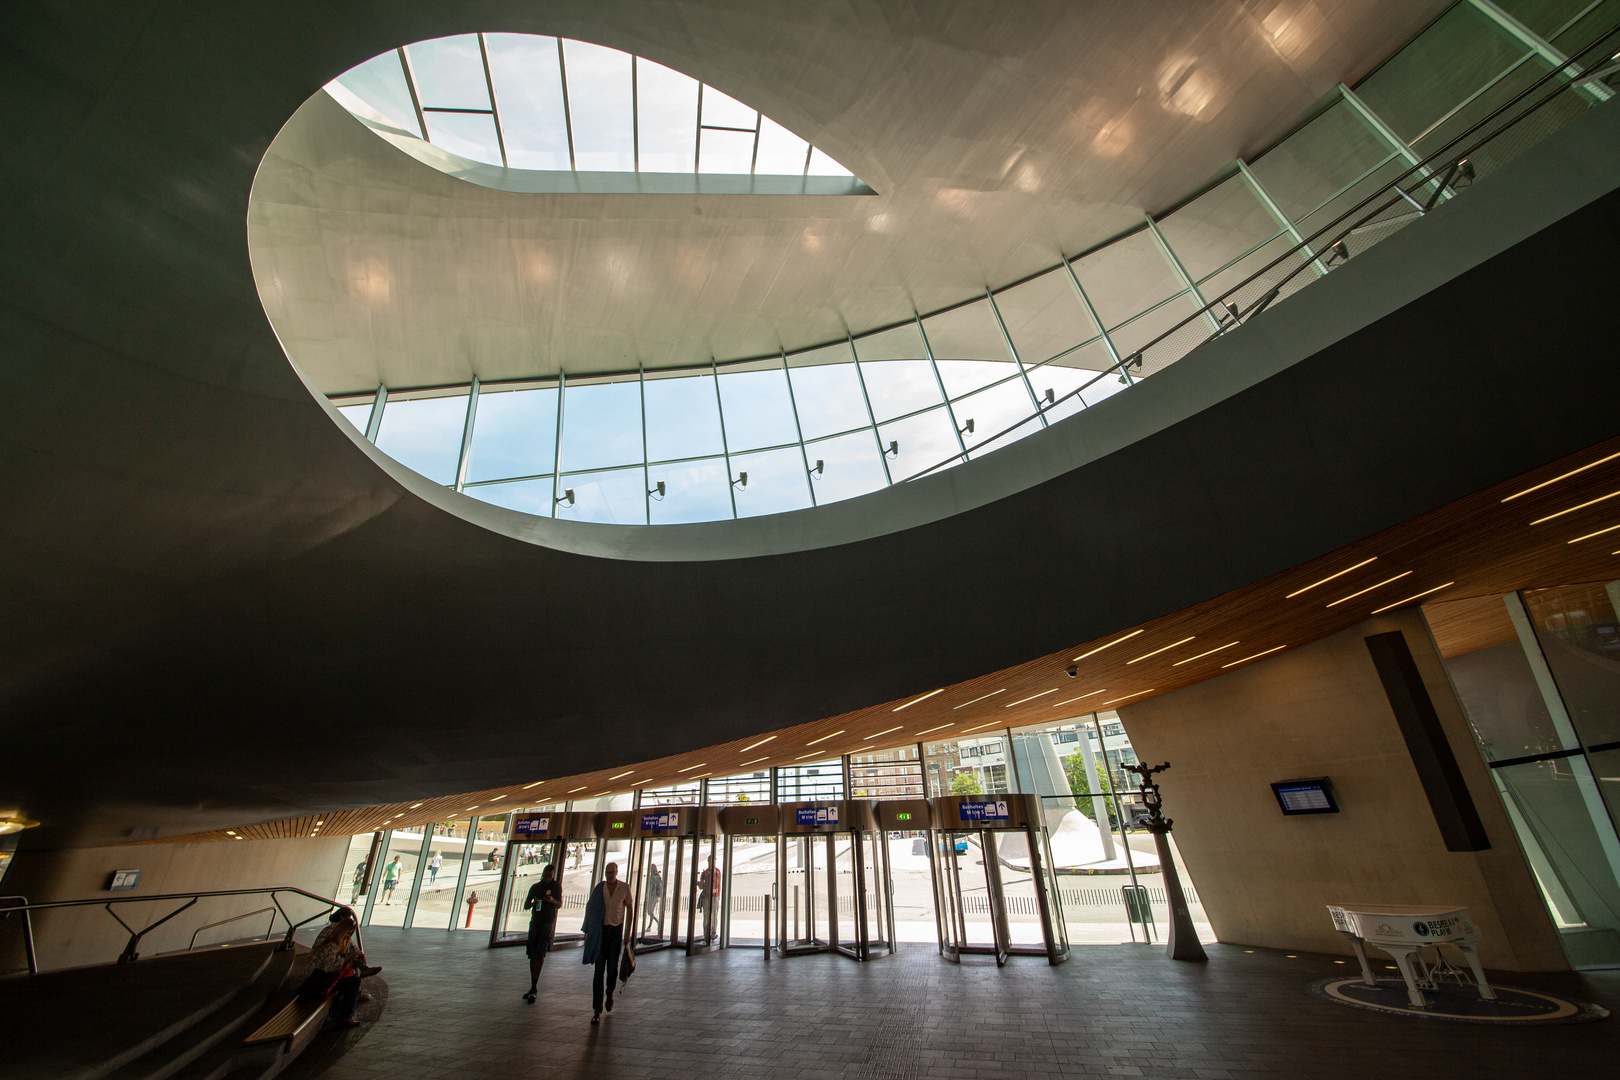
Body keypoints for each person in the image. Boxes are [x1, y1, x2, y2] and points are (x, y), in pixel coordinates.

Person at [303, 907, 381, 1029]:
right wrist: (347, 959)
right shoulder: (331, 944)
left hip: (321, 975)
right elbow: (330, 968)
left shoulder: (332, 935)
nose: (349, 936)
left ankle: (343, 1007)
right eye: (349, 933)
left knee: (351, 973)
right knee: (354, 981)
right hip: (319, 979)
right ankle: (347, 1016)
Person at [581, 861, 633, 1024]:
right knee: (598, 971)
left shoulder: (624, 888)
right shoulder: (600, 889)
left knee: (612, 968)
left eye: (612, 872)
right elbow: (591, 908)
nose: (609, 876)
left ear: (617, 872)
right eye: (607, 873)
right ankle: (597, 1009)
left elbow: (630, 909)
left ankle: (609, 993)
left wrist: (627, 933)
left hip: (616, 932)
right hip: (601, 933)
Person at [521, 863, 562, 1003]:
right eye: (546, 876)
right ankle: (533, 985)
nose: (548, 879)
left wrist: (552, 900)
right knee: (534, 954)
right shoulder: (536, 887)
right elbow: (526, 905)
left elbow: (559, 904)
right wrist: (534, 903)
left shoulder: (556, 887)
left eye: (550, 877)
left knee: (540, 952)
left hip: (547, 922)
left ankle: (534, 985)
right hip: (536, 922)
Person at [642, 863, 664, 934]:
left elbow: (653, 887)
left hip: (652, 896)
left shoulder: (654, 876)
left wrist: (651, 895)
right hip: (654, 896)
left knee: (650, 912)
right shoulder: (656, 875)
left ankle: (657, 923)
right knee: (651, 911)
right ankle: (649, 926)